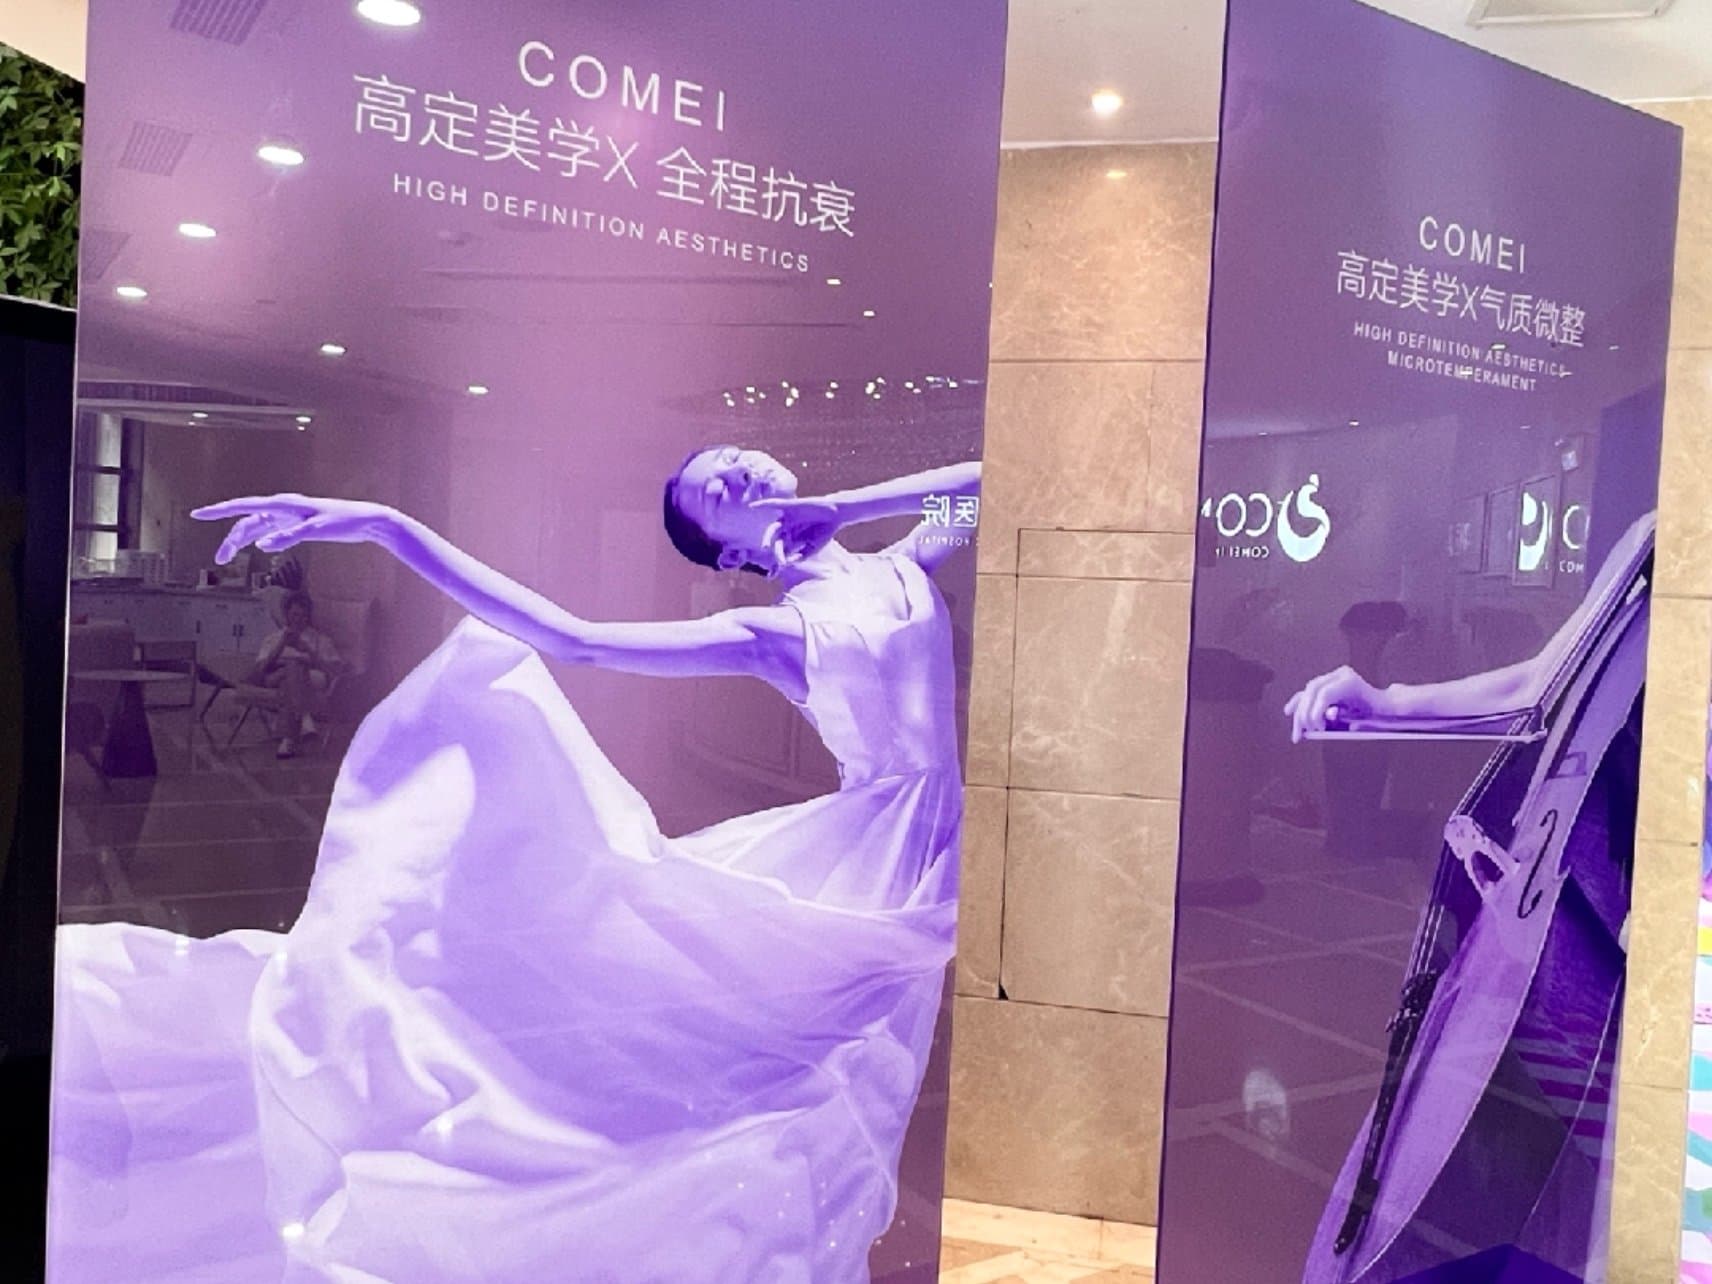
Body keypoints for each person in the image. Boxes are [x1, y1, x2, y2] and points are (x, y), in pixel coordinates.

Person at [47, 449, 981, 1284]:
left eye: (732, 459)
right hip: (876, 857)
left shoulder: (898, 566)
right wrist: (386, 524)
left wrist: (844, 507)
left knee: (812, 1075)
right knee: (770, 1065)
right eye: (717, 489)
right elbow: (575, 638)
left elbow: (982, 484)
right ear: (732, 551)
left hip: (897, 842)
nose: (737, 468)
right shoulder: (775, 632)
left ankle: (733, 1235)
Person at [248, 590, 341, 758]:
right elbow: (260, 670)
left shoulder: (319, 639)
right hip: (274, 677)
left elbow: (332, 670)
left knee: (292, 671)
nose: (298, 620)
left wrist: (308, 650)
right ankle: (304, 718)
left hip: (311, 676)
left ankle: (288, 740)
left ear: (308, 617)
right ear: (287, 615)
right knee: (291, 668)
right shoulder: (273, 638)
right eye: (295, 615)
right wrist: (280, 646)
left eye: (303, 616)